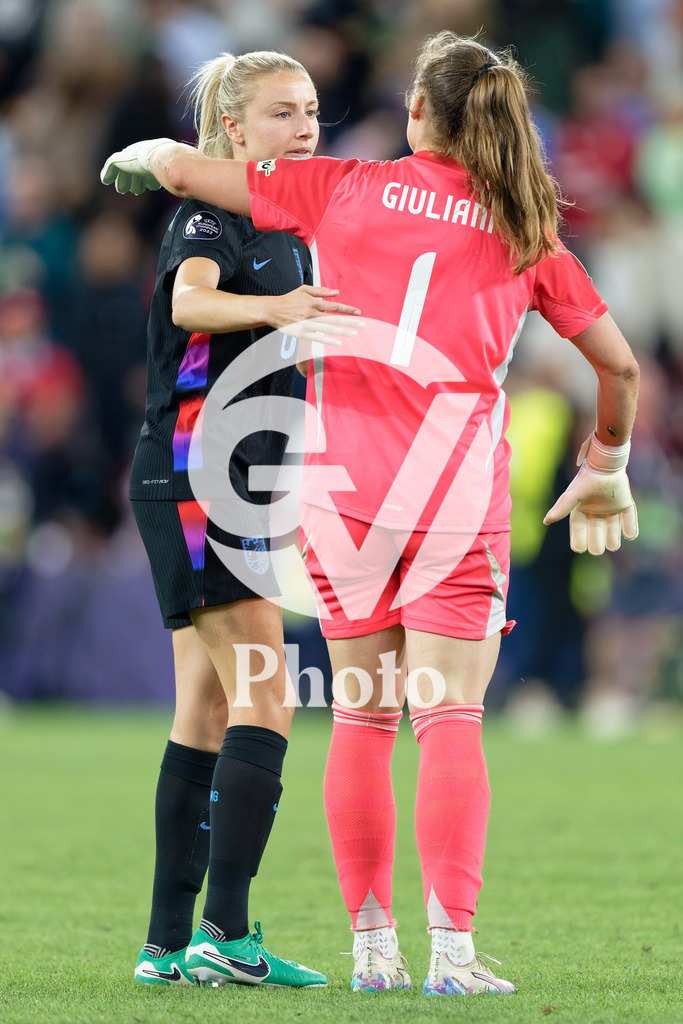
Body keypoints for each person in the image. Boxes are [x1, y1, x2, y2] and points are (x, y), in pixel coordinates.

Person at [101, 31, 640, 997]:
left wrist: (141, 160)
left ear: (418, 111)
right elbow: (619, 366)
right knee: (451, 719)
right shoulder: (524, 228)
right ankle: (455, 956)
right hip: (452, 490)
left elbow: (185, 167)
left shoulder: (342, 187)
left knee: (360, 720)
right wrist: (607, 463)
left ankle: (371, 953)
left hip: (340, 492)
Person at [125, 50, 359, 990]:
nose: (303, 127)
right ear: (232, 132)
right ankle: (228, 933)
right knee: (271, 692)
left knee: (208, 704)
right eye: (279, 114)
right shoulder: (211, 213)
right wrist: (277, 309)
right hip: (199, 480)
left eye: (309, 111)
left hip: (227, 484)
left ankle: (167, 943)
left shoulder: (292, 224)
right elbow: (189, 301)